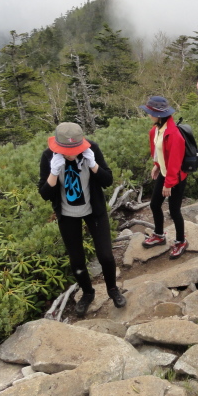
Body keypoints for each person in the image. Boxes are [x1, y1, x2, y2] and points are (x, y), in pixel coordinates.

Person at [38, 122, 126, 316]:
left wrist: (93, 165)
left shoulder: (91, 149)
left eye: (74, 149)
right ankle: (87, 293)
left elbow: (107, 180)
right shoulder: (48, 156)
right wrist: (53, 173)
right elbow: (44, 193)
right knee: (77, 260)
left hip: (94, 211)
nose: (71, 154)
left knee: (105, 255)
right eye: (66, 150)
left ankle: (112, 289)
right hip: (67, 215)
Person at [139, 96, 189, 259]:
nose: (148, 115)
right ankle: (159, 235)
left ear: (159, 115)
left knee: (174, 210)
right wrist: (157, 165)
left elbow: (175, 162)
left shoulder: (174, 134)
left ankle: (181, 241)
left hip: (176, 177)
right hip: (165, 173)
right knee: (154, 205)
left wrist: (168, 184)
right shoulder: (156, 129)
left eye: (150, 112)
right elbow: (161, 152)